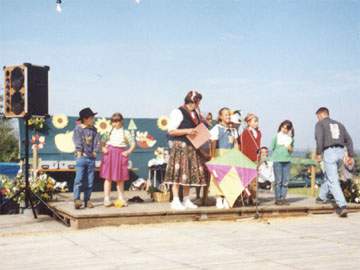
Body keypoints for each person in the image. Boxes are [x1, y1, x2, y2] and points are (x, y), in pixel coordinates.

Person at [164, 91, 207, 210]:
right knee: (177, 173)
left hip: (191, 146)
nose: (198, 105)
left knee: (187, 174)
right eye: (197, 102)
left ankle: (186, 199)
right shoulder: (178, 112)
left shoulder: (195, 113)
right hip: (180, 146)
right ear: (192, 101)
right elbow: (171, 131)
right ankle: (176, 200)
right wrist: (188, 131)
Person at [315, 107, 355, 217]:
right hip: (341, 151)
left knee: (333, 179)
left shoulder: (320, 124)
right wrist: (350, 155)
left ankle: (342, 206)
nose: (317, 119)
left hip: (329, 152)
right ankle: (321, 197)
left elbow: (319, 139)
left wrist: (318, 153)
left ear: (321, 115)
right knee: (330, 175)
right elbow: (349, 139)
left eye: (317, 117)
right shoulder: (339, 124)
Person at [100, 113, 136, 207]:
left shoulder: (126, 132)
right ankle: (106, 199)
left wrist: (127, 152)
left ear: (121, 121)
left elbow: (133, 144)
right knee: (108, 178)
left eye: (117, 120)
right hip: (110, 154)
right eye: (113, 121)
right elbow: (102, 142)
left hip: (120, 155)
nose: (115, 123)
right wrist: (103, 148)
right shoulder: (109, 131)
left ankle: (121, 198)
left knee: (120, 179)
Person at [209, 107, 239, 209]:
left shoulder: (233, 130)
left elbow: (235, 144)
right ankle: (218, 198)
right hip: (219, 154)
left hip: (230, 156)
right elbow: (213, 142)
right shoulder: (216, 128)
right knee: (218, 177)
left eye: (229, 115)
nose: (228, 116)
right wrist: (212, 156)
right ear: (220, 117)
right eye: (226, 114)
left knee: (229, 177)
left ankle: (227, 198)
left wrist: (236, 155)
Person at [72, 107, 100, 209]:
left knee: (90, 181)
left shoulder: (94, 130)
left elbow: (97, 141)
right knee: (79, 180)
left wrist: (95, 151)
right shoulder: (78, 129)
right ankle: (77, 199)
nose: (93, 119)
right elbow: (77, 141)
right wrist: (80, 153)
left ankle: (87, 200)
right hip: (82, 158)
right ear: (85, 118)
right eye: (92, 117)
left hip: (91, 159)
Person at [238, 113, 261, 204]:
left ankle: (254, 197)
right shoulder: (245, 132)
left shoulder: (258, 133)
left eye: (257, 121)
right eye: (254, 121)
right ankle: (246, 197)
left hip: (256, 158)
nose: (256, 123)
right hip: (247, 158)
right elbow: (243, 147)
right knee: (247, 179)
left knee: (254, 180)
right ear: (248, 122)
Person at [270, 120, 295, 205]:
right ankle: (278, 199)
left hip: (287, 161)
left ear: (289, 129)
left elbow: (291, 150)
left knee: (285, 181)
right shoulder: (276, 137)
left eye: (287, 128)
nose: (284, 129)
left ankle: (283, 198)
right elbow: (272, 148)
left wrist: (289, 148)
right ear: (280, 127)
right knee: (278, 181)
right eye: (283, 127)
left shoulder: (290, 139)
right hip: (277, 161)